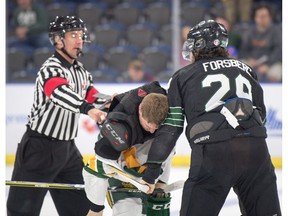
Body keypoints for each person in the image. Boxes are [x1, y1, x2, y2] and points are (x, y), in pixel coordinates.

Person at [141, 20, 282, 216]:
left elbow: (171, 129)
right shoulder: (247, 70)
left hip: (214, 154)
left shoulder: (182, 76)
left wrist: (152, 170)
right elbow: (262, 116)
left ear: (200, 45)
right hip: (256, 153)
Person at [6, 16, 108, 216]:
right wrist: (89, 109)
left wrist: (114, 100)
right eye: (73, 35)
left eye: (80, 35)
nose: (79, 40)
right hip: (39, 149)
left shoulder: (80, 71)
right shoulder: (50, 68)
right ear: (58, 40)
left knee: (81, 209)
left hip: (67, 150)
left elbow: (92, 95)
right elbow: (60, 93)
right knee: (21, 211)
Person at [82, 81, 173, 216]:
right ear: (140, 110)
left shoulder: (164, 100)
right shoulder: (119, 129)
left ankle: (158, 182)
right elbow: (95, 168)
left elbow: (138, 93)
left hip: (141, 154)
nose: (153, 130)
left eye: (157, 126)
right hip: (120, 163)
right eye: (149, 124)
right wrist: (96, 209)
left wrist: (157, 181)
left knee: (168, 138)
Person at [239, 4, 282, 82]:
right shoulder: (249, 32)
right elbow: (243, 50)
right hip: (252, 61)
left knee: (275, 73)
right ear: (255, 18)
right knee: (240, 68)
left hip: (271, 63)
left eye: (265, 16)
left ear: (270, 17)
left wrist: (268, 65)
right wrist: (249, 59)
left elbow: (279, 51)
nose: (262, 19)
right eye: (260, 16)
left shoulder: (277, 32)